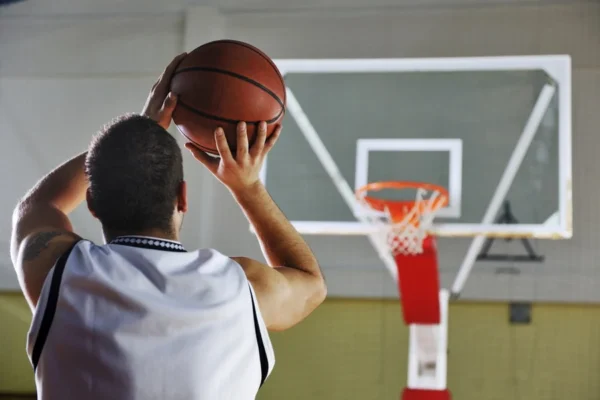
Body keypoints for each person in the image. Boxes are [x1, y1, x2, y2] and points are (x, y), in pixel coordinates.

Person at [10, 53, 326, 400]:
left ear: (92, 203)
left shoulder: (60, 271)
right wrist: (247, 187)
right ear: (183, 197)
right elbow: (310, 284)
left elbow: (39, 206)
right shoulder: (240, 290)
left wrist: (141, 130)